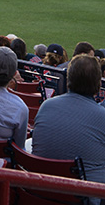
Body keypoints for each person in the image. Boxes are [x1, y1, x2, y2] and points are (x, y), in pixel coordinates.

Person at [31, 54, 105, 190]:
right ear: (99, 84)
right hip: (84, 196)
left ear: (68, 79)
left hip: (39, 192)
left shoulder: (47, 106)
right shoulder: (102, 116)